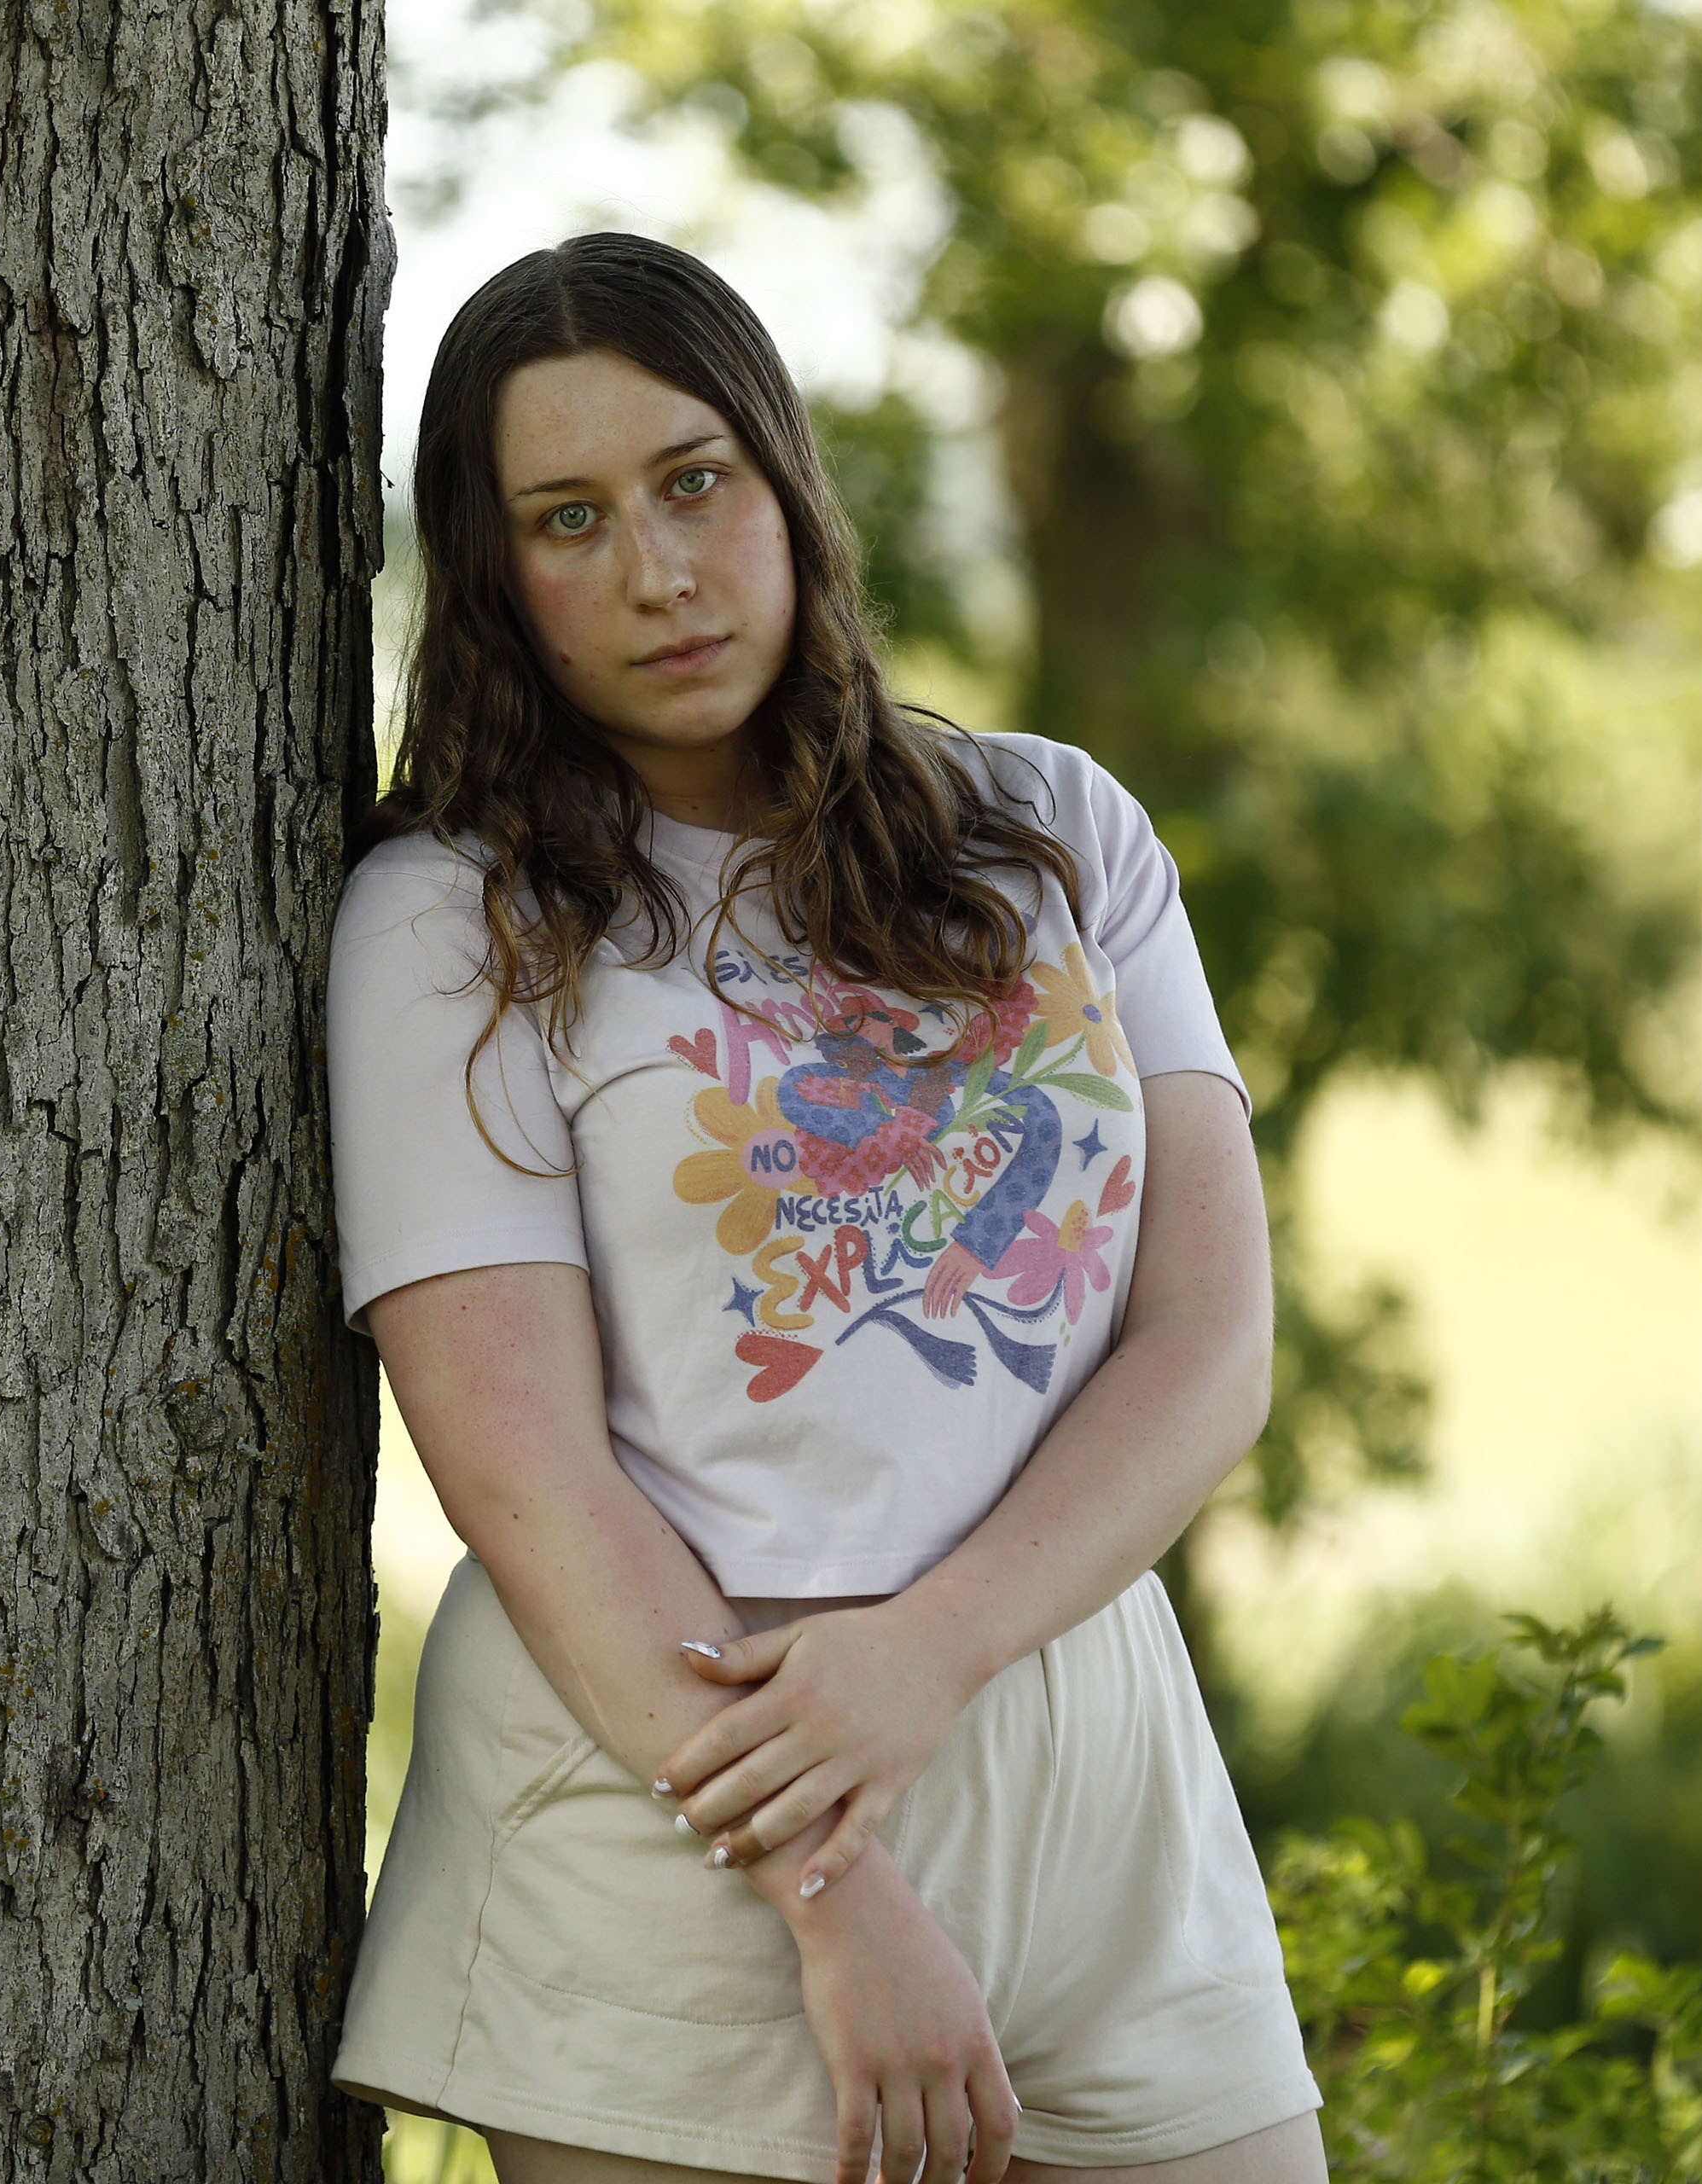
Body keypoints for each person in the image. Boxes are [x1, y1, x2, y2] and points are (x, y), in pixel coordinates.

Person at [326, 232, 1327, 2184]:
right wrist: (831, 1889)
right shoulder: (453, 925)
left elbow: (1210, 1344)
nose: (659, 566)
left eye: (696, 479)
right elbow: (527, 1480)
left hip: (1100, 1784)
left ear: (784, 479)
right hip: (680, 1831)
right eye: (569, 517)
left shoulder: (1050, 835)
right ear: (498, 576)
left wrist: (931, 1648)